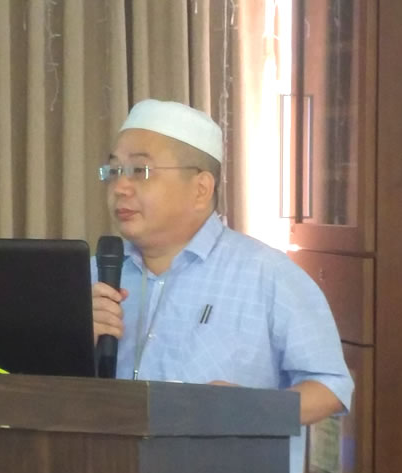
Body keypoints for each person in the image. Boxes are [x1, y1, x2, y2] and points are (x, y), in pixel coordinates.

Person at [91, 99, 353, 425]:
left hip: (225, 459)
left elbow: (331, 387)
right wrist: (72, 343)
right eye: (114, 171)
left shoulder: (268, 275)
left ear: (201, 189)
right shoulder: (93, 276)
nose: (120, 187)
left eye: (139, 171)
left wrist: (251, 409)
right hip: (108, 457)